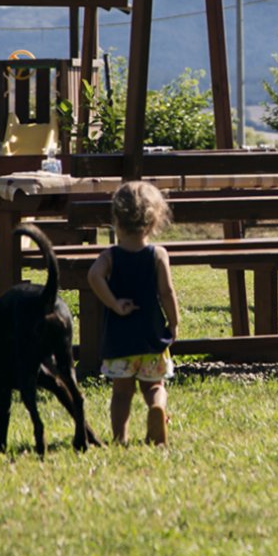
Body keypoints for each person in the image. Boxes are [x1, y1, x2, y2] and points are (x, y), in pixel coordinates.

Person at [87, 181, 181, 445]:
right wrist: (174, 322)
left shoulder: (110, 256)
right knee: (154, 386)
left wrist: (114, 304)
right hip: (151, 336)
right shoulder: (157, 255)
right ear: (153, 222)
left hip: (120, 339)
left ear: (116, 220)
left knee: (121, 393)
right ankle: (157, 407)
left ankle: (120, 438)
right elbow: (167, 292)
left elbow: (94, 276)